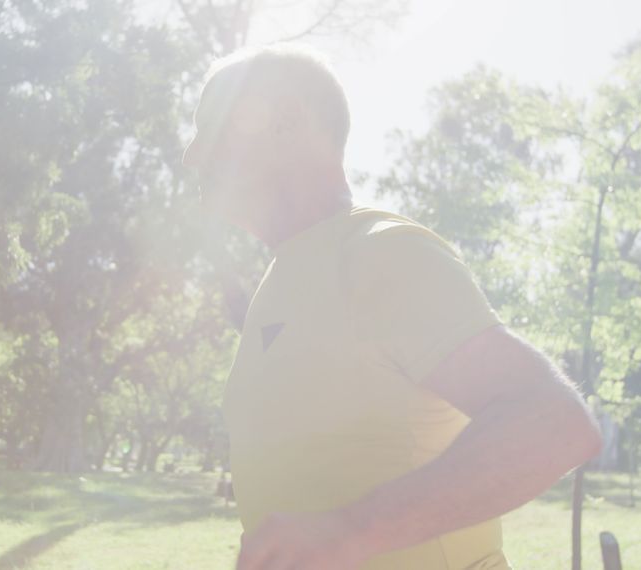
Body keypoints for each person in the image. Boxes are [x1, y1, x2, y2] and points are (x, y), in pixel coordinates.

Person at [182, 44, 603, 570]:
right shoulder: (280, 279)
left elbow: (554, 424)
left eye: (209, 126)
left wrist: (351, 532)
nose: (192, 155)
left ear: (285, 123)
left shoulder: (381, 252)